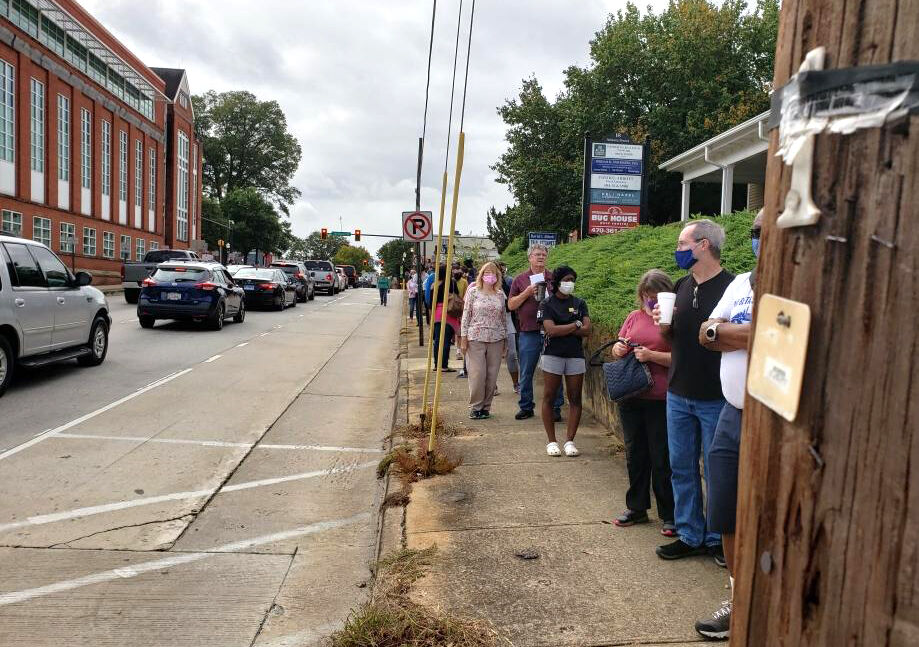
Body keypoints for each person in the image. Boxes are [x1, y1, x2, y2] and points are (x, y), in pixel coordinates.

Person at [692, 210, 761, 640]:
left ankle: (765, 605)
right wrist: (750, 332)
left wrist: (726, 332)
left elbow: (789, 335)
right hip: (731, 414)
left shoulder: (801, 284)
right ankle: (736, 602)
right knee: (727, 515)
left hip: (775, 421)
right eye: (755, 231)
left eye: (769, 231)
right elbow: (705, 333)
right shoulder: (740, 284)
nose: (760, 238)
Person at [653, 219, 734, 564]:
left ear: (703, 245)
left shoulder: (733, 288)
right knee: (682, 466)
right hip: (678, 392)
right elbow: (675, 339)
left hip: (715, 395)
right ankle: (689, 533)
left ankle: (717, 538)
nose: (678, 250)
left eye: (682, 244)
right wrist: (663, 323)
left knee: (716, 471)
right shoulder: (681, 286)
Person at [610, 270, 676, 536]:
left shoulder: (671, 321)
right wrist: (619, 349)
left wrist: (651, 355)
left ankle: (669, 514)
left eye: (655, 297)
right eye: (646, 297)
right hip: (632, 395)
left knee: (661, 457)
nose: (650, 302)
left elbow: (679, 358)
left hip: (660, 396)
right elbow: (618, 344)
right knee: (635, 454)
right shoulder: (634, 317)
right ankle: (636, 507)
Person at [537, 266, 590, 456]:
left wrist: (565, 328)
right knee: (550, 396)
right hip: (553, 353)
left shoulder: (579, 302)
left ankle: (569, 441)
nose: (570, 283)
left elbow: (587, 330)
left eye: (572, 280)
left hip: (575, 355)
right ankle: (551, 441)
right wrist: (575, 324)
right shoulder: (546, 304)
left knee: (575, 398)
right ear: (557, 282)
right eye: (566, 279)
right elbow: (550, 330)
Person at [508, 244, 564, 421]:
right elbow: (510, 305)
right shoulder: (520, 279)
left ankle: (556, 407)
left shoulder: (554, 278)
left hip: (551, 331)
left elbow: (564, 301)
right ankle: (526, 406)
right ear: (529, 258)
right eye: (537, 254)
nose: (541, 257)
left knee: (554, 370)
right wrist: (526, 293)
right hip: (529, 331)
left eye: (543, 254)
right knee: (526, 371)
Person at [459, 262, 509, 419]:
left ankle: (486, 407)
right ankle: (476, 406)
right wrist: (463, 338)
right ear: (481, 275)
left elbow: (503, 319)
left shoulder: (500, 294)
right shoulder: (473, 292)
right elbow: (466, 315)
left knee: (492, 375)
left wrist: (506, 341)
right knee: (477, 374)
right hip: (475, 338)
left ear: (497, 276)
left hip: (496, 338)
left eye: (493, 273)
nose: (490, 275)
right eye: (487, 272)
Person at [432, 265, 459, 372]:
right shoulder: (452, 283)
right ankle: (444, 365)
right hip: (449, 313)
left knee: (437, 340)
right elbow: (457, 296)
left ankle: (436, 365)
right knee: (446, 340)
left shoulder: (434, 285)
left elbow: (429, 303)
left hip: (437, 313)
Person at [499, 262, 520, 393]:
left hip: (507, 321)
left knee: (512, 355)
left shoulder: (507, 284)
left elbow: (511, 305)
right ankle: (491, 386)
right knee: (491, 357)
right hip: (489, 325)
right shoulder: (477, 288)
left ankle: (516, 383)